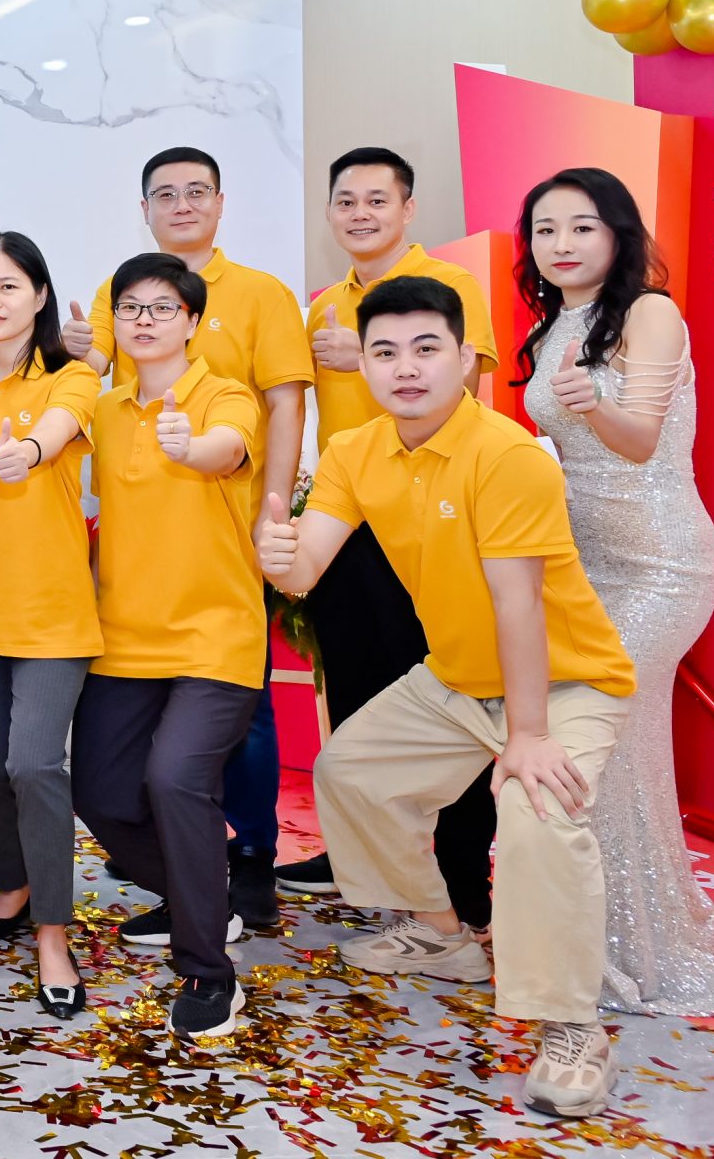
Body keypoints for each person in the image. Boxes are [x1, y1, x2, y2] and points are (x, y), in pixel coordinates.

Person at [260, 272, 638, 1118]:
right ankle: (441, 933)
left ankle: (572, 1028)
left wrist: (528, 735)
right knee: (352, 772)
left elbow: (519, 604)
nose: (406, 367)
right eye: (385, 351)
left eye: (426, 348)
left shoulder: (506, 456)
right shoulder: (356, 451)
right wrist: (277, 551)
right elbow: (306, 567)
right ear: (362, 364)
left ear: (465, 358)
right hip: (461, 676)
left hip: (565, 679)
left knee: (538, 813)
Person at [516, 168, 714, 1017]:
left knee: (598, 745)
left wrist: (590, 407)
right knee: (620, 752)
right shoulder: (550, 327)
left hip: (662, 566)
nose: (562, 244)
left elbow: (640, 440)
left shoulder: (649, 312)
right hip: (586, 572)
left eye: (581, 226)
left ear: (617, 233)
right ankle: (610, 938)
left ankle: (640, 950)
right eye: (545, 230)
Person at [70, 147, 308, 929]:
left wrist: (273, 508)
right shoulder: (119, 295)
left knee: (241, 720)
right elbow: (93, 378)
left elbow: (276, 407)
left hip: (226, 537)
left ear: (220, 201)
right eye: (164, 194)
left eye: (195, 191)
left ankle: (253, 858)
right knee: (131, 765)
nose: (181, 205)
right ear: (144, 208)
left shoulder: (261, 294)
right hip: (139, 563)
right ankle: (191, 870)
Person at [278, 147, 499, 913]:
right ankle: (360, 859)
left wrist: (363, 358)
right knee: (354, 697)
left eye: (377, 200)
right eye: (346, 201)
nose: (360, 214)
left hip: (434, 522)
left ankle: (462, 881)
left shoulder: (451, 286)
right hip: (346, 526)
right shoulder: (321, 304)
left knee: (447, 702)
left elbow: (471, 391)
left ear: (408, 209)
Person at [71, 251, 264, 1043]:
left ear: (192, 321)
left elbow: (227, 448)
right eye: (130, 308)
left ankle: (209, 971)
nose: (144, 320)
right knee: (100, 794)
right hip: (123, 638)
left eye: (161, 307)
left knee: (176, 779)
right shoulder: (106, 410)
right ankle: (202, 897)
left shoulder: (225, 395)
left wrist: (191, 447)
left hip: (215, 635)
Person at [0, 232, 101, 1019]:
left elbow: (61, 427)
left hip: (51, 612)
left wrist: (29, 450)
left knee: (34, 764)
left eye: (9, 286)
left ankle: (53, 931)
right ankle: (14, 882)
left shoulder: (74, 377)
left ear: (40, 296)